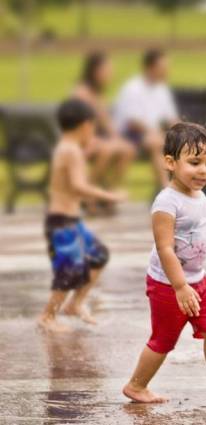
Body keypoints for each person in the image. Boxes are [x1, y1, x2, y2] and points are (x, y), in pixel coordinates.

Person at [122, 123, 206, 406]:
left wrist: (193, 278)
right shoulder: (166, 203)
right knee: (163, 340)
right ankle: (136, 385)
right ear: (170, 163)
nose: (203, 170)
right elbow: (165, 247)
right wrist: (180, 286)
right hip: (169, 285)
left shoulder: (200, 196)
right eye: (194, 163)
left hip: (199, 280)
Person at [38, 99, 126, 333]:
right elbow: (77, 186)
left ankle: (74, 304)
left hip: (70, 220)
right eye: (93, 127)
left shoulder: (66, 147)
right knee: (67, 271)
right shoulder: (71, 151)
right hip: (62, 222)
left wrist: (86, 151)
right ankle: (47, 316)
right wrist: (108, 196)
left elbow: (68, 179)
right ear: (85, 125)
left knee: (98, 255)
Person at [73, 51, 136, 215]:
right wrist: (94, 140)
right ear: (95, 71)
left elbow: (107, 123)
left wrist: (117, 139)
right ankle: (87, 195)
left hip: (94, 140)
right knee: (107, 150)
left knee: (127, 149)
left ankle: (109, 192)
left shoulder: (98, 95)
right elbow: (76, 126)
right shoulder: (82, 93)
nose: (110, 74)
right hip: (77, 141)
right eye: (107, 70)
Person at [112, 49, 179, 187]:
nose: (166, 71)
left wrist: (186, 132)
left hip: (149, 134)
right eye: (163, 68)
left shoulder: (162, 88)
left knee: (181, 142)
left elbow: (171, 118)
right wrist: (154, 132)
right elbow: (132, 122)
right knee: (156, 142)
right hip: (129, 134)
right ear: (150, 68)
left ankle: (181, 186)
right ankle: (166, 187)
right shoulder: (132, 88)